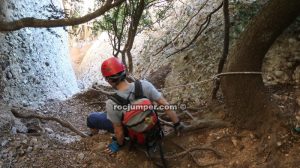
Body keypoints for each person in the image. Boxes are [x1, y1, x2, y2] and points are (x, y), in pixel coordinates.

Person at [87, 57, 184, 154]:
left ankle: (92, 137)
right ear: (124, 72)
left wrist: (119, 143)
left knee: (92, 118)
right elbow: (165, 105)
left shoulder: (112, 103)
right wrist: (177, 123)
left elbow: (118, 130)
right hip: (151, 125)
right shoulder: (145, 85)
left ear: (109, 80)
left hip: (131, 131)